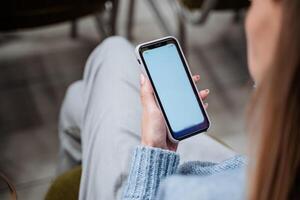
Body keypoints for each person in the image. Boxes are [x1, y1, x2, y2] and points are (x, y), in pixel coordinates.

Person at [58, 0, 300, 199]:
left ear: (284, 28)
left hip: (158, 189)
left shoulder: (187, 192)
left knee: (111, 52)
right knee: (77, 99)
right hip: (240, 169)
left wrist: (153, 150)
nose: (249, 19)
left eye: (254, 4)